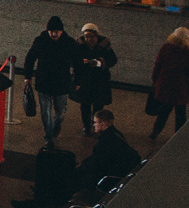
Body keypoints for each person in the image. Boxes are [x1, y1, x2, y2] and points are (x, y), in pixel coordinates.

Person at [22, 15, 81, 145]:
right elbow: (30, 58)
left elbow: (78, 62)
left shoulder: (69, 43)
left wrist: (78, 80)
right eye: (51, 31)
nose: (54, 34)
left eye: (57, 32)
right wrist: (27, 76)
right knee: (46, 112)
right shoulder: (40, 41)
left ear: (61, 31)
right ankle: (49, 136)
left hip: (61, 83)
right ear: (48, 31)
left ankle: (55, 129)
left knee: (60, 112)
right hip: (44, 82)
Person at [148, 27, 189, 141]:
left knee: (164, 112)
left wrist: (155, 81)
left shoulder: (165, 48)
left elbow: (157, 65)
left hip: (165, 85)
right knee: (181, 114)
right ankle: (178, 137)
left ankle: (155, 132)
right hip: (180, 89)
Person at [71, 22, 118, 135]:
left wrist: (100, 63)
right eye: (86, 36)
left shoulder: (104, 45)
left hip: (100, 80)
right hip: (85, 79)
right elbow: (72, 60)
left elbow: (113, 60)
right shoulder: (79, 46)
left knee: (98, 105)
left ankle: (96, 125)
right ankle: (86, 126)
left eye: (91, 36)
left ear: (96, 35)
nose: (89, 39)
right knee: (85, 105)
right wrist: (80, 62)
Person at [77, 108, 141, 186]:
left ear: (103, 124)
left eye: (95, 122)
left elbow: (96, 163)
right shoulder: (117, 134)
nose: (93, 125)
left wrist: (81, 167)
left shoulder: (105, 142)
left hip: (112, 174)